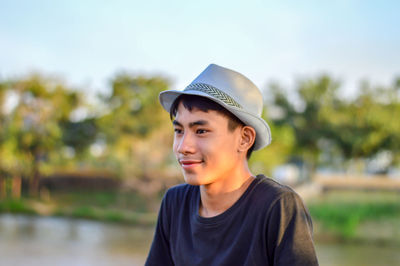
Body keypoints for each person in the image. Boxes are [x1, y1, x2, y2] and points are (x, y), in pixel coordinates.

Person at [145, 64, 318, 266]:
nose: (183, 147)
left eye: (201, 131)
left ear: (244, 139)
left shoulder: (277, 206)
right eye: (179, 131)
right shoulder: (175, 203)